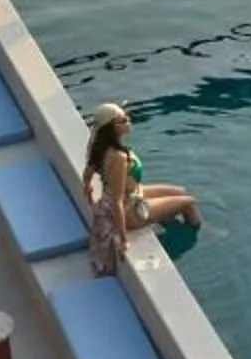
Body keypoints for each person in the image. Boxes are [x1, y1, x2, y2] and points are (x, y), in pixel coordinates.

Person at [84, 101, 200, 273]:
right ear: (110, 128)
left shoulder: (99, 147)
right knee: (189, 202)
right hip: (128, 207)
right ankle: (195, 230)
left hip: (131, 194)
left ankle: (167, 218)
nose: (128, 121)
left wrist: (86, 187)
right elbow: (116, 203)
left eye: (126, 117)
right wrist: (123, 240)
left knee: (180, 192)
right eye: (122, 120)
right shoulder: (119, 158)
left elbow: (88, 171)